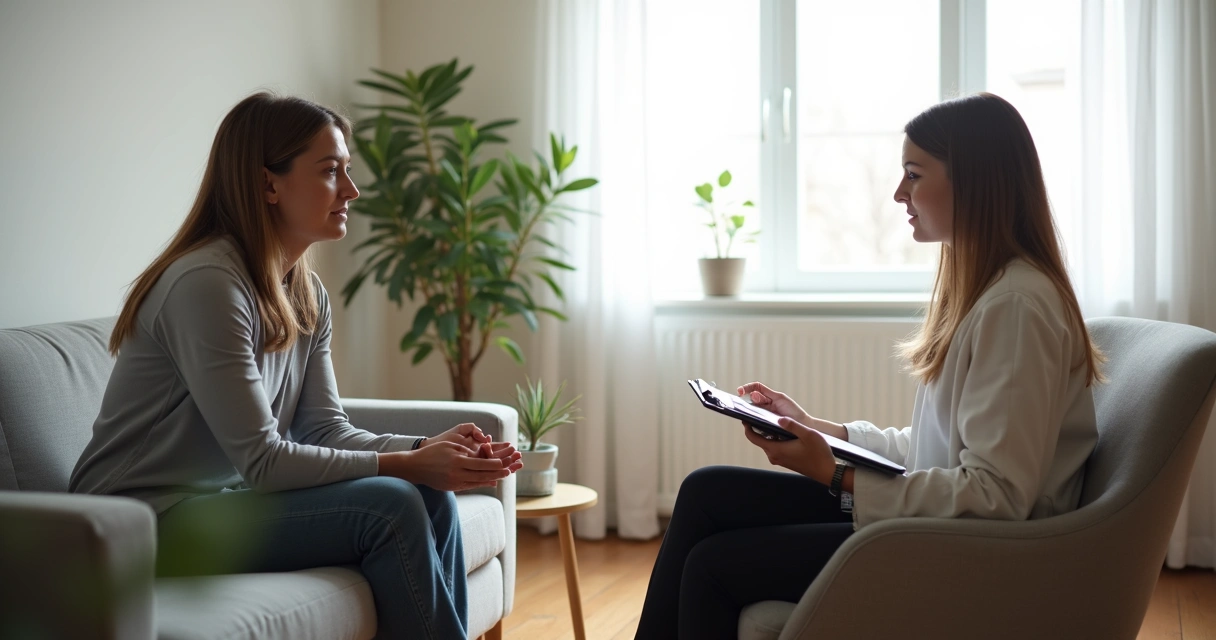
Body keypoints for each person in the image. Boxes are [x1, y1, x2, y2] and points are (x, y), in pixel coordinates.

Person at [634, 92, 1102, 639]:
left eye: (913, 174)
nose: (899, 193)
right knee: (707, 490)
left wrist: (835, 473)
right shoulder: (989, 294)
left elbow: (997, 497)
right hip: (934, 525)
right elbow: (936, 449)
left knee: (714, 565)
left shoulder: (1017, 307)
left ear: (972, 180)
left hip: (972, 553)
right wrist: (822, 433)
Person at [68, 92, 523, 639]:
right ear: (268, 184)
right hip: (138, 521)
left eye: (348, 171)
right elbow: (263, 460)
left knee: (430, 496)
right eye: (332, 172)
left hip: (221, 503)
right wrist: (408, 464)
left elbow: (325, 429)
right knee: (392, 506)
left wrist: (425, 453)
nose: (352, 191)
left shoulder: (306, 293)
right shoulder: (208, 285)